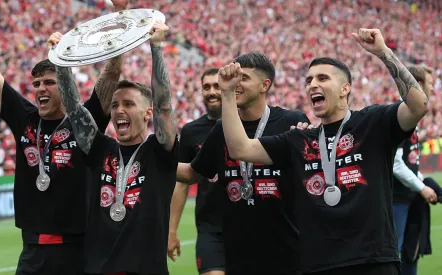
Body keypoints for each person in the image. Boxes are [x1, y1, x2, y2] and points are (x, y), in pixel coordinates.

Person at [218, 28, 429, 275]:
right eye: (308, 81)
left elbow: (419, 106)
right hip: (318, 265)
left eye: (322, 78)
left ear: (345, 89)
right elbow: (239, 148)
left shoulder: (372, 123)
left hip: (373, 261)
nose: (313, 85)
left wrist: (384, 53)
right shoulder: (298, 139)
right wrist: (227, 93)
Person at [0, 0, 128, 273]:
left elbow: (111, 76)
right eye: (36, 84)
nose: (40, 89)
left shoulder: (84, 121)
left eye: (49, 82)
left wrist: (121, 15)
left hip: (80, 249)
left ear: (64, 84)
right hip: (34, 249)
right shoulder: (25, 118)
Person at [54, 21, 178, 275]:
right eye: (115, 105)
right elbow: (74, 108)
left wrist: (156, 47)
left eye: (129, 104)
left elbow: (164, 104)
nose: (119, 110)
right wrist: (61, 61)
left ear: (147, 113)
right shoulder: (100, 148)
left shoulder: (160, 150)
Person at [177, 52, 311, 275]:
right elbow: (192, 173)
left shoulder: (291, 122)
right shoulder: (221, 130)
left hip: (287, 248)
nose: (236, 84)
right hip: (237, 252)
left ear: (264, 85)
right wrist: (156, 160)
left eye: (244, 78)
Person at [168, 68, 226, 275]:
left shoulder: (248, 124)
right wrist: (172, 230)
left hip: (247, 225)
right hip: (209, 226)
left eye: (217, 86)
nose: (211, 91)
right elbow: (182, 182)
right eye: (206, 87)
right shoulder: (192, 131)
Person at [393, 65, 437, 275]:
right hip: (396, 198)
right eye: (430, 83)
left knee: (410, 251)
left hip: (408, 195)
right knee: (394, 252)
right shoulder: (401, 115)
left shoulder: (412, 117)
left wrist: (422, 183)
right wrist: (421, 187)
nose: (433, 88)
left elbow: (410, 162)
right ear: (418, 85)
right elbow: (396, 164)